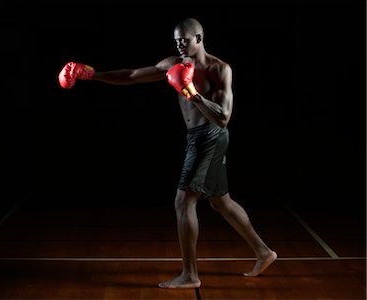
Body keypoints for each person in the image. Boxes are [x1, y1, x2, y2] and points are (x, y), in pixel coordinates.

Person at [58, 17, 277, 289]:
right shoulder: (174, 64)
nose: (180, 45)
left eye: (185, 39)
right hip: (198, 137)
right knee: (221, 201)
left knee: (183, 202)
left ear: (199, 38)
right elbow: (132, 75)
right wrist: (92, 74)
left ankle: (190, 275)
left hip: (209, 136)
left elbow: (223, 118)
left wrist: (192, 92)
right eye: (176, 41)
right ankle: (263, 251)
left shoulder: (219, 69)